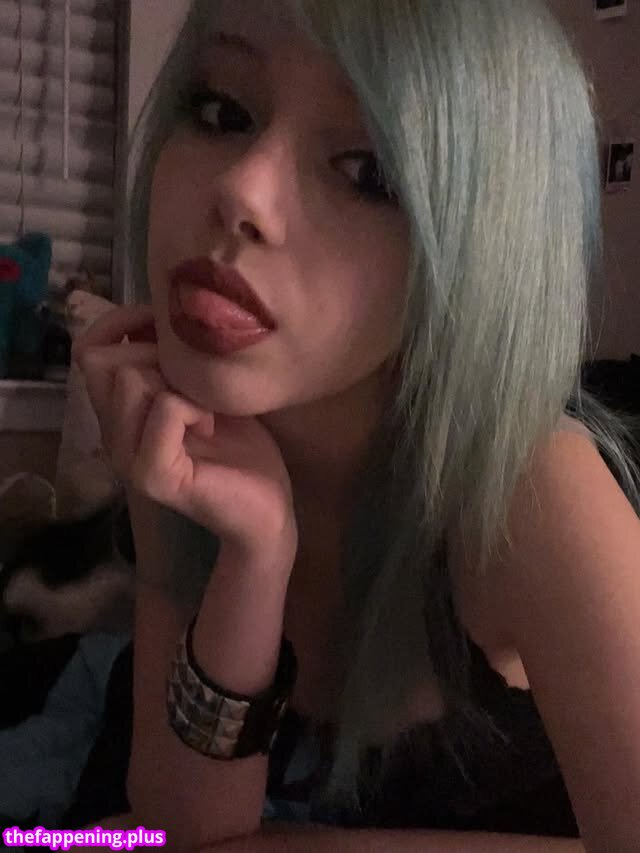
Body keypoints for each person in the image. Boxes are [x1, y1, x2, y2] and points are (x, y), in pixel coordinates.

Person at [73, 0, 640, 849]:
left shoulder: (534, 494)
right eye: (223, 112)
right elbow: (183, 826)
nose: (241, 190)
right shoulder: (182, 435)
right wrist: (254, 556)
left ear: (479, 252)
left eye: (368, 172)